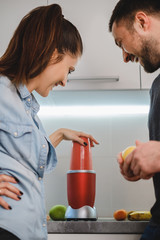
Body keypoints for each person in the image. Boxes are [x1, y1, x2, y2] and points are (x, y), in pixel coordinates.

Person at [0, 4, 99, 240]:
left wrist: (60, 133)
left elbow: (24, 159)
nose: (65, 81)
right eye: (69, 70)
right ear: (51, 53)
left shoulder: (27, 109)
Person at [109, 0, 160, 239]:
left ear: (141, 22)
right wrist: (146, 165)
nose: (124, 57)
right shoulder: (158, 85)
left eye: (121, 43)